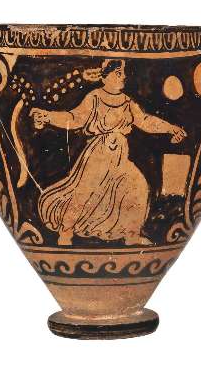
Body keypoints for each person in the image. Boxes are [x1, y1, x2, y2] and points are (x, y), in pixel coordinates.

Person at [30, 59, 186, 246]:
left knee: (137, 187)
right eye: (118, 73)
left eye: (123, 73)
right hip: (99, 155)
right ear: (105, 77)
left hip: (120, 157)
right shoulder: (95, 97)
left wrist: (170, 128)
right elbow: (74, 118)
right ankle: (65, 233)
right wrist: (48, 116)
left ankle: (131, 235)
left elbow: (145, 121)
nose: (123, 77)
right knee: (84, 193)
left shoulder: (127, 102)